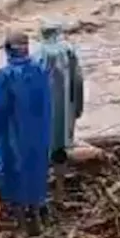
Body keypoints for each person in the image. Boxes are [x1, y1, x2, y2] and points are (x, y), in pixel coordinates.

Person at [0, 30, 53, 234]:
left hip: (14, 134)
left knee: (15, 173)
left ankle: (22, 222)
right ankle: (37, 213)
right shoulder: (40, 71)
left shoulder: (4, 76)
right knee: (36, 171)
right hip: (39, 133)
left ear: (7, 49)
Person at [33, 19, 84, 198]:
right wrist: (78, 107)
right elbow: (78, 80)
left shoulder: (38, 55)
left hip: (43, 111)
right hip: (64, 110)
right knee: (60, 148)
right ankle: (60, 189)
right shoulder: (69, 51)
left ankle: (41, 189)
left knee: (42, 146)